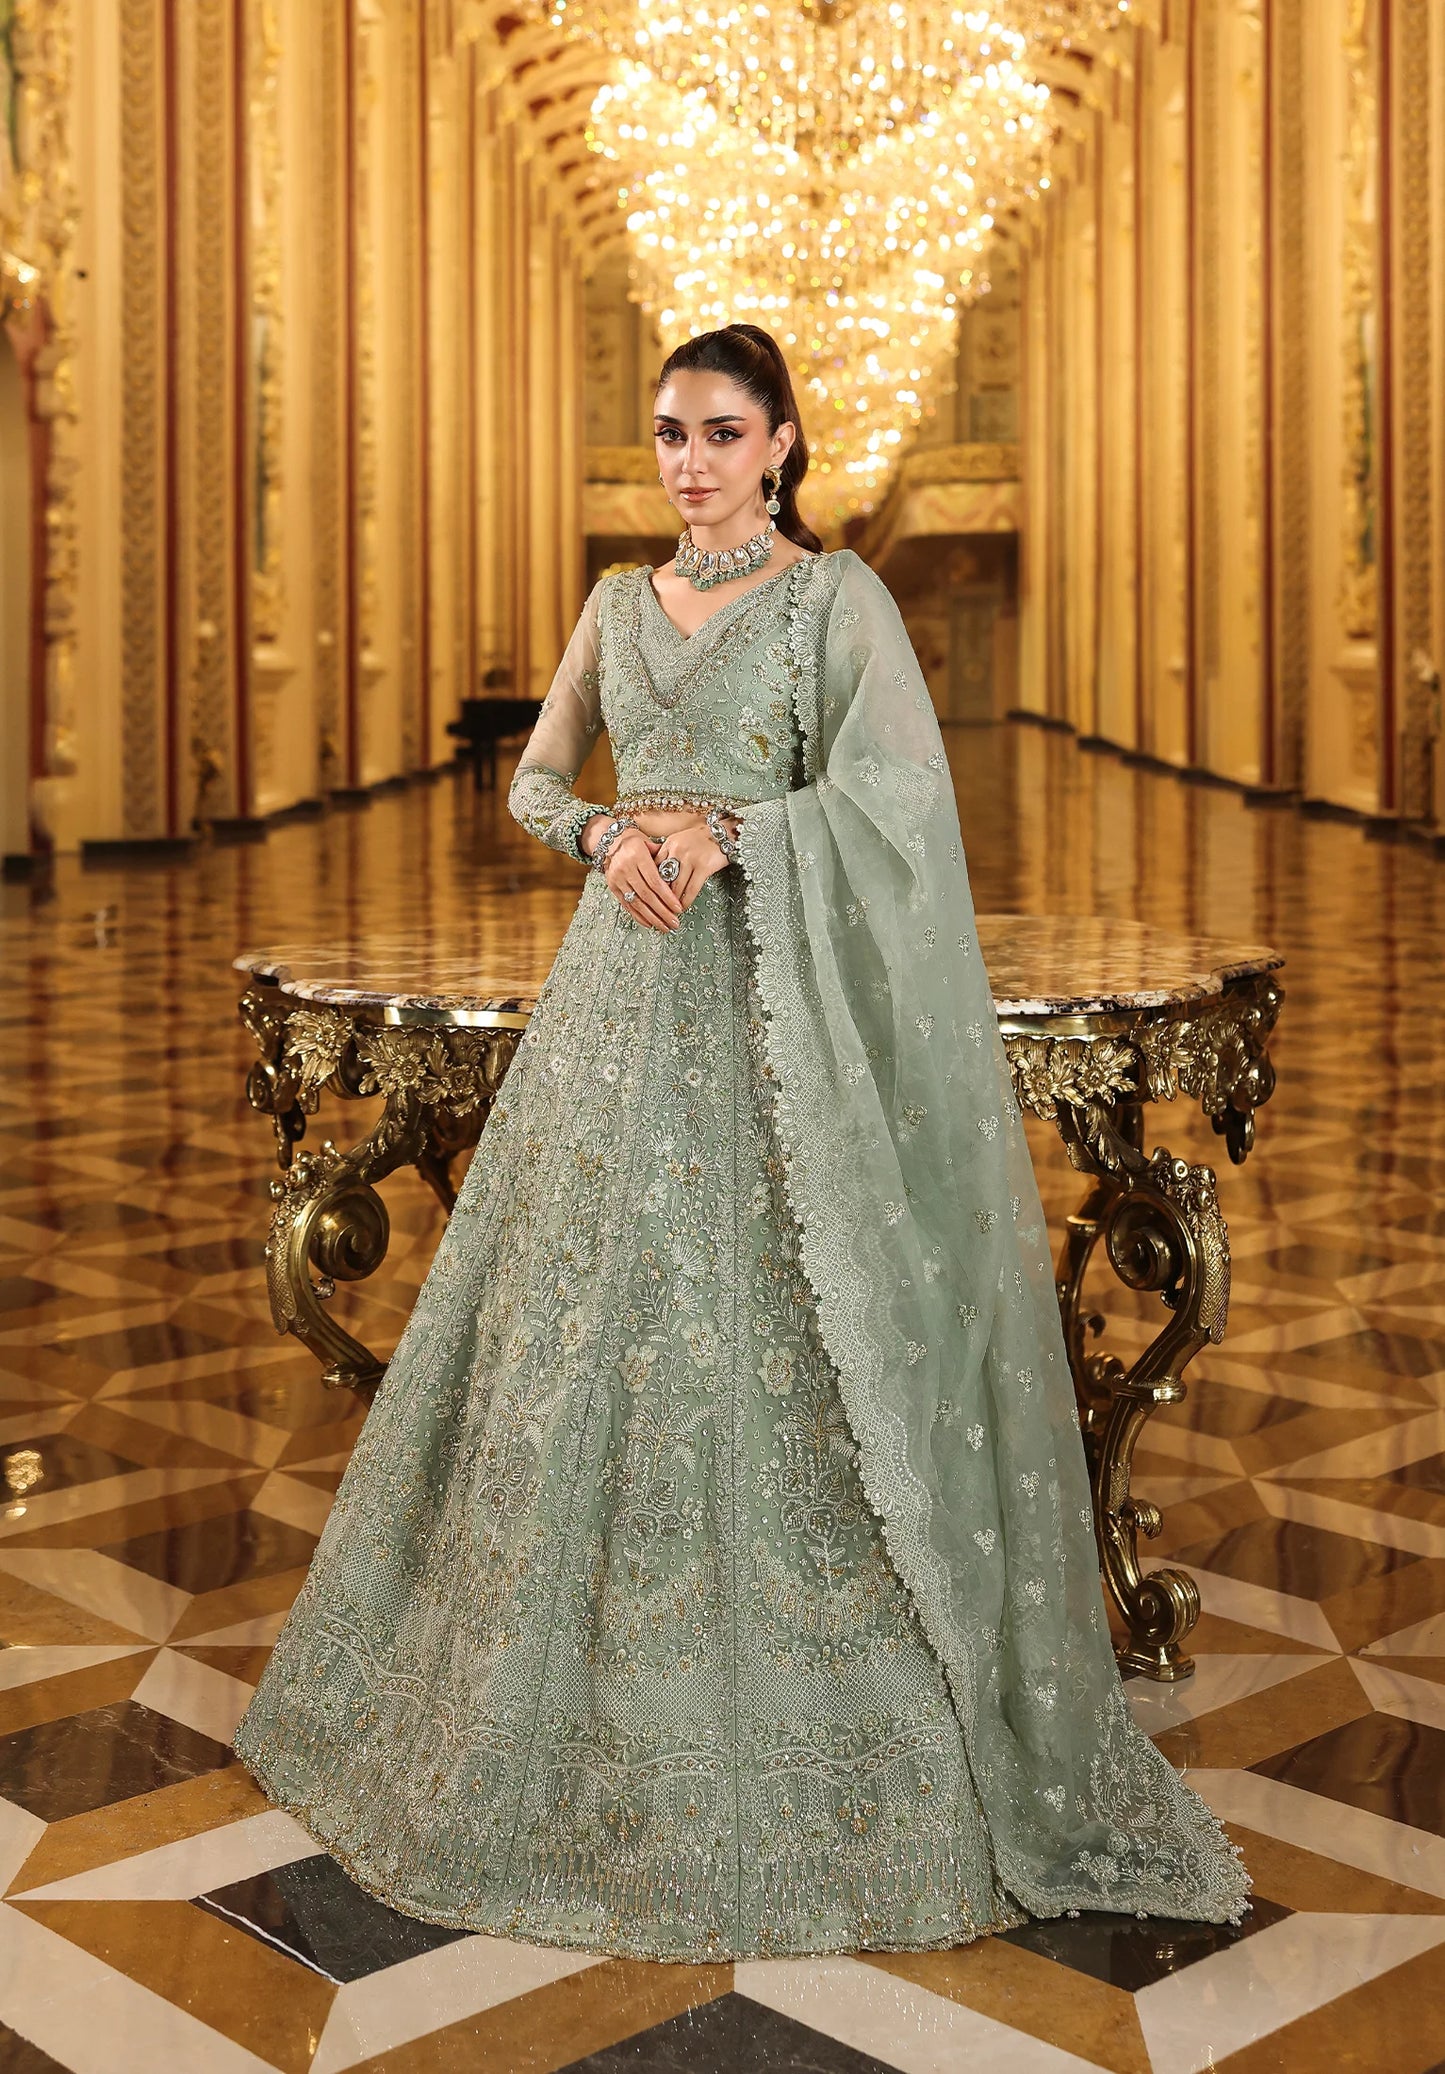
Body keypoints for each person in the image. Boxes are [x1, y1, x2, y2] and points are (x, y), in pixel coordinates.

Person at [232, 323, 1249, 1960]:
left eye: (719, 431)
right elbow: (534, 780)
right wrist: (603, 832)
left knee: (782, 1312)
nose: (688, 461)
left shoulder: (833, 600)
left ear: (780, 443)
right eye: (667, 433)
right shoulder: (613, 603)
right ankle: (550, 1685)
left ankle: (837, 1682)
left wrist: (736, 827)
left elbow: (901, 795)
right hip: (616, 997)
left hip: (778, 1006)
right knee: (587, 1318)